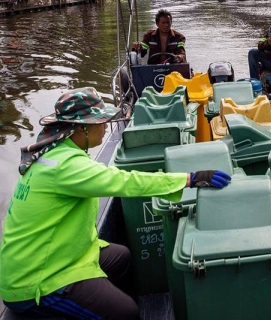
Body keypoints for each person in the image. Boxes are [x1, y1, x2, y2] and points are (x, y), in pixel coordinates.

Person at [0, 87, 230, 319]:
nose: (106, 126)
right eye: (100, 122)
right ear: (81, 128)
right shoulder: (66, 167)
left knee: (121, 258)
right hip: (37, 279)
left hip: (63, 254)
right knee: (126, 313)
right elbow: (126, 181)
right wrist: (190, 179)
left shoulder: (57, 155)